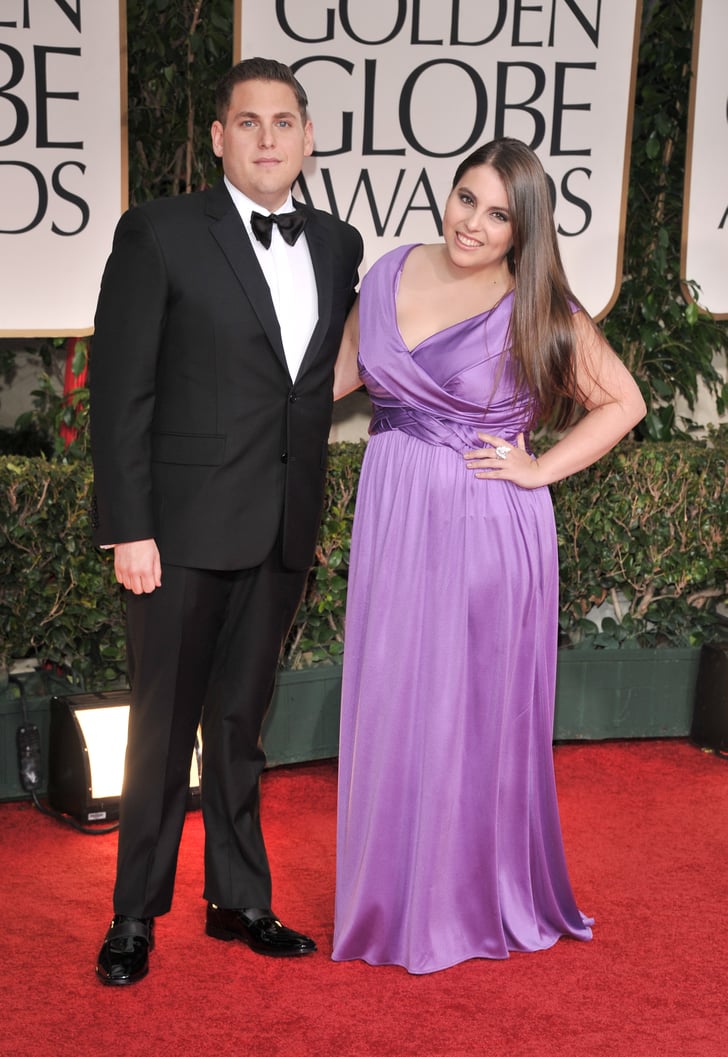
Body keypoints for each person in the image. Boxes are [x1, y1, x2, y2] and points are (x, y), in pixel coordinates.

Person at [331, 138, 646, 974]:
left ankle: (467, 900)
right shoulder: (390, 273)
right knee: (395, 699)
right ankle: (394, 899)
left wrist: (538, 468)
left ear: (522, 229)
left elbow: (624, 401)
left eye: (498, 214)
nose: (472, 223)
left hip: (486, 523)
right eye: (466, 198)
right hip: (395, 517)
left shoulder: (536, 307)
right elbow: (331, 378)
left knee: (469, 712)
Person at [90, 57, 363, 986]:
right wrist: (129, 527)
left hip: (281, 529)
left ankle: (239, 898)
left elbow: (313, 382)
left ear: (308, 138)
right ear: (218, 137)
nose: (267, 139)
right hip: (177, 535)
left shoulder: (338, 244)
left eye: (284, 122)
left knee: (243, 724)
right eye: (248, 122)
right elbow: (121, 392)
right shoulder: (160, 232)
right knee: (161, 733)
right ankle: (134, 914)